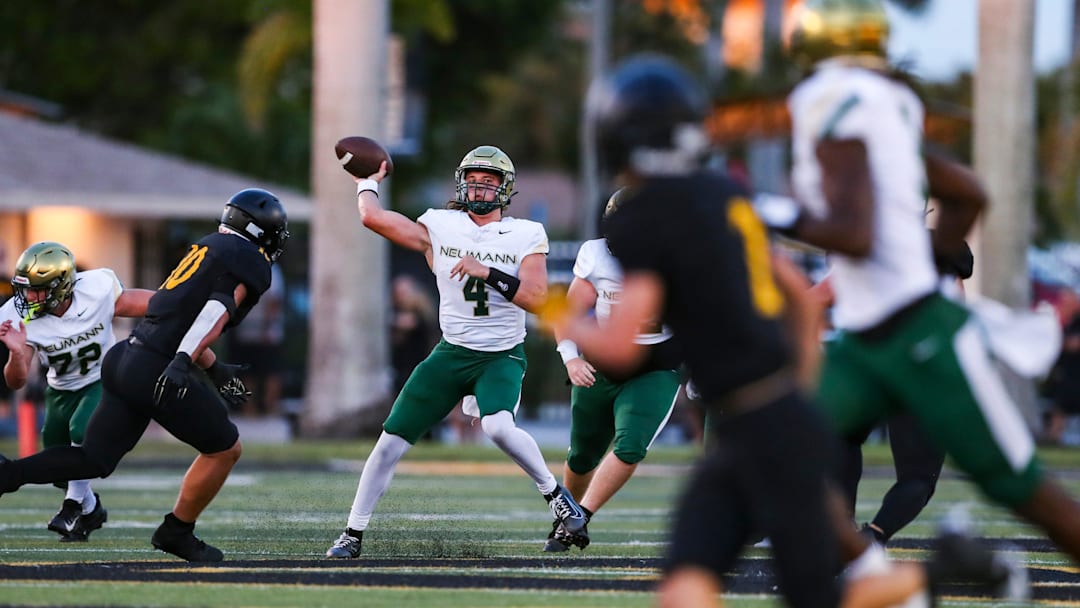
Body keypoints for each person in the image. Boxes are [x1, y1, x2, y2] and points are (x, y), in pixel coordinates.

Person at [558, 51, 1018, 608]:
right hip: (768, 421)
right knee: (695, 585)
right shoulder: (724, 196)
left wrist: (546, 306)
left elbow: (619, 348)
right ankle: (944, 571)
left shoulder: (643, 217)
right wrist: (795, 380)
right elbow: (800, 297)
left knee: (802, 589)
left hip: (765, 428)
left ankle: (945, 571)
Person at [765, 0, 1080, 567]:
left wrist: (768, 213)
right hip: (867, 342)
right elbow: (968, 194)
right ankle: (875, 574)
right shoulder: (892, 105)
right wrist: (926, 259)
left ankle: (931, 572)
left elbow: (855, 235)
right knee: (779, 456)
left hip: (921, 339)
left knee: (1024, 489)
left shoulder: (830, 104)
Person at [323, 145, 588, 559]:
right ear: (461, 184)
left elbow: (538, 298)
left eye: (490, 181)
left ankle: (556, 496)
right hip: (450, 353)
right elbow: (372, 217)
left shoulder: (526, 233)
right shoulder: (440, 225)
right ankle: (352, 534)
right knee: (389, 443)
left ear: (506, 188)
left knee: (497, 428)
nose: (480, 188)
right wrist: (366, 181)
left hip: (501, 354)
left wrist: (490, 272)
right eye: (474, 179)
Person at [0, 188, 289, 562]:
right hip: (158, 367)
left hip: (125, 358)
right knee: (225, 448)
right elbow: (213, 311)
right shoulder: (250, 259)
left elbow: (179, 317)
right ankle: (177, 532)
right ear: (260, 231)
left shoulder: (209, 247)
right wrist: (184, 360)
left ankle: (8, 475)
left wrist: (212, 367)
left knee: (94, 459)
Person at [544, 186, 681, 552]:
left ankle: (578, 518)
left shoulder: (681, 258)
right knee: (582, 455)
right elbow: (568, 311)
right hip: (601, 363)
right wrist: (570, 356)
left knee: (630, 445)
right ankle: (565, 515)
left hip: (656, 365)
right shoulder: (597, 255)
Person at [0, 242, 155, 542]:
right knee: (58, 465)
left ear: (61, 287)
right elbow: (14, 383)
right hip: (60, 389)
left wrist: (184, 304)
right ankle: (91, 508)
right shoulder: (17, 315)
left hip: (104, 378)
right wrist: (17, 354)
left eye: (36, 289)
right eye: (25, 288)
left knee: (82, 430)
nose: (28, 297)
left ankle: (71, 507)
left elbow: (152, 305)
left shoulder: (96, 288)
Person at [226, 264, 286, 417]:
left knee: (271, 371)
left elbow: (274, 301)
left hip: (268, 334)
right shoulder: (244, 268)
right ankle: (249, 409)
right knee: (248, 372)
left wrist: (266, 327)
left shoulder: (272, 270)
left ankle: (270, 407)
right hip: (247, 331)